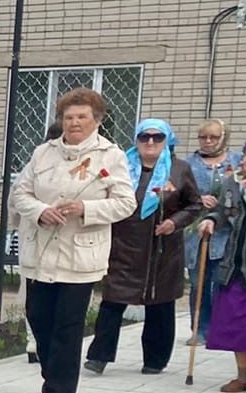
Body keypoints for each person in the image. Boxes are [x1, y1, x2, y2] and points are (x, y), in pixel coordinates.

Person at [11, 89, 136, 393]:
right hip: (40, 250)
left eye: (82, 117)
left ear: (97, 120)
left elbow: (125, 203)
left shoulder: (111, 156)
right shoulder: (43, 153)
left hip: (80, 253)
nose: (74, 123)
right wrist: (40, 210)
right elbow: (20, 193)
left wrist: (85, 208)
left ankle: (61, 392)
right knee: (38, 317)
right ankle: (53, 374)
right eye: (69, 117)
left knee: (68, 322)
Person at [84, 118, 200, 376]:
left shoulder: (179, 170)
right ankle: (99, 356)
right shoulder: (122, 166)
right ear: (136, 139)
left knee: (160, 304)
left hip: (163, 249)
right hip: (123, 245)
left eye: (157, 137)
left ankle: (155, 360)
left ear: (167, 140)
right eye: (144, 136)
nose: (150, 142)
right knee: (113, 301)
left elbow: (194, 205)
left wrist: (174, 221)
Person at [185, 118, 238, 345]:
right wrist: (198, 199)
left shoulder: (236, 161)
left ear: (223, 138)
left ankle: (220, 328)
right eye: (203, 137)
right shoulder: (188, 164)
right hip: (197, 233)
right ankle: (200, 327)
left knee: (222, 281)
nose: (208, 141)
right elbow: (178, 194)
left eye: (213, 137)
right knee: (199, 282)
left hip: (228, 232)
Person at [201, 157, 246, 391]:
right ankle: (243, 377)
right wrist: (211, 220)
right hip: (237, 264)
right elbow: (222, 210)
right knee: (236, 320)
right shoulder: (235, 182)